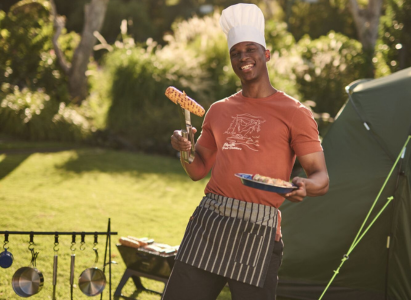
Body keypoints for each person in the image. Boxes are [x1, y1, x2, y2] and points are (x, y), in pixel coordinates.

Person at [163, 3, 329, 300]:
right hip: (210, 223)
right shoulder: (218, 110)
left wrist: (305, 185)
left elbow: (321, 177)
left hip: (259, 230)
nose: (243, 58)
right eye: (235, 53)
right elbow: (197, 170)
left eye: (250, 49)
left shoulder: (295, 113)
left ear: (266, 54)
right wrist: (184, 150)